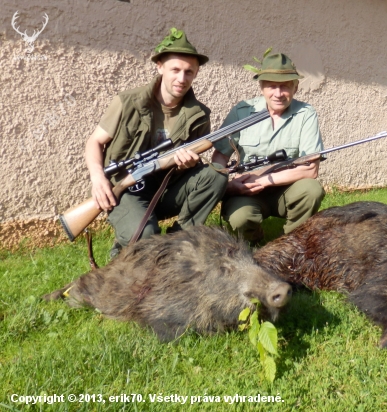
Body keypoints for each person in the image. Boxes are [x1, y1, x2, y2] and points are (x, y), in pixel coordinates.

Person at [85, 28, 227, 257]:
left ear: (196, 73)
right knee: (146, 236)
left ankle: (180, 244)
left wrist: (186, 164)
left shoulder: (199, 114)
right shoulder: (128, 102)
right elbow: (94, 142)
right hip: (125, 190)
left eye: (189, 72)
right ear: (160, 67)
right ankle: (125, 246)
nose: (182, 79)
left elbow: (192, 162)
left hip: (166, 187)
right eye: (175, 70)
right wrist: (98, 177)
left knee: (216, 174)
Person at [212, 53, 325, 243]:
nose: (278, 93)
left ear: (295, 87)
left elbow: (311, 169)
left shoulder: (305, 114)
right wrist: (227, 187)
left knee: (311, 190)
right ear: (262, 87)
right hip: (247, 191)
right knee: (240, 220)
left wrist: (265, 180)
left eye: (285, 86)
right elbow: (220, 156)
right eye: (272, 86)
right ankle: (254, 236)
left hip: (287, 189)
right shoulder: (242, 112)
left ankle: (290, 243)